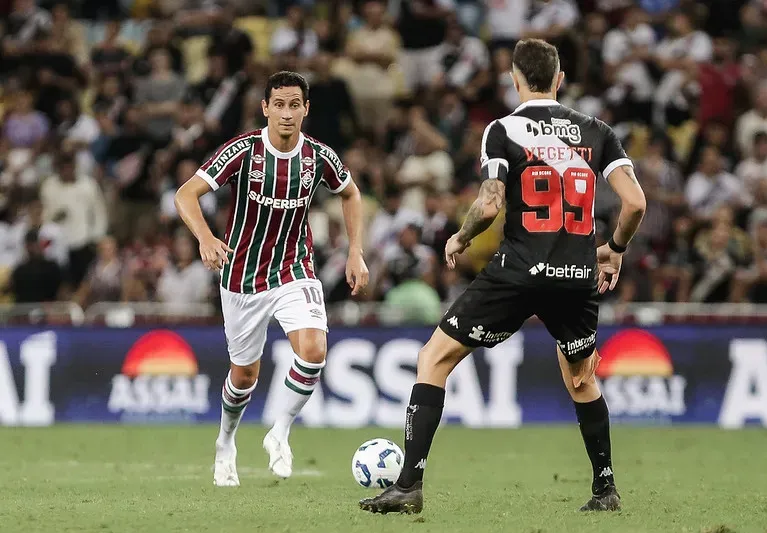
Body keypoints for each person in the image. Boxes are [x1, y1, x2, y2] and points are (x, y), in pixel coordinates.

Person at [359, 39, 646, 514]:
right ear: (559, 80)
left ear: (514, 80)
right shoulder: (598, 132)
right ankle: (605, 489)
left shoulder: (503, 129)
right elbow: (635, 203)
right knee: (581, 379)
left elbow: (490, 204)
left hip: (519, 271)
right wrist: (614, 251)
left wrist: (461, 236)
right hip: (577, 275)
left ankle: (408, 487)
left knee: (433, 358)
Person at [174, 71, 370, 487]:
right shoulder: (243, 151)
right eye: (278, 104)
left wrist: (355, 250)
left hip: (294, 269)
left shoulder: (319, 156)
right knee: (244, 376)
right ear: (265, 108)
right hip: (242, 277)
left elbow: (351, 193)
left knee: (313, 351)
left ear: (306, 109)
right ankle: (225, 442)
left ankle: (279, 431)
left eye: (294, 105)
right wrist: (205, 237)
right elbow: (185, 194)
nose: (286, 113)